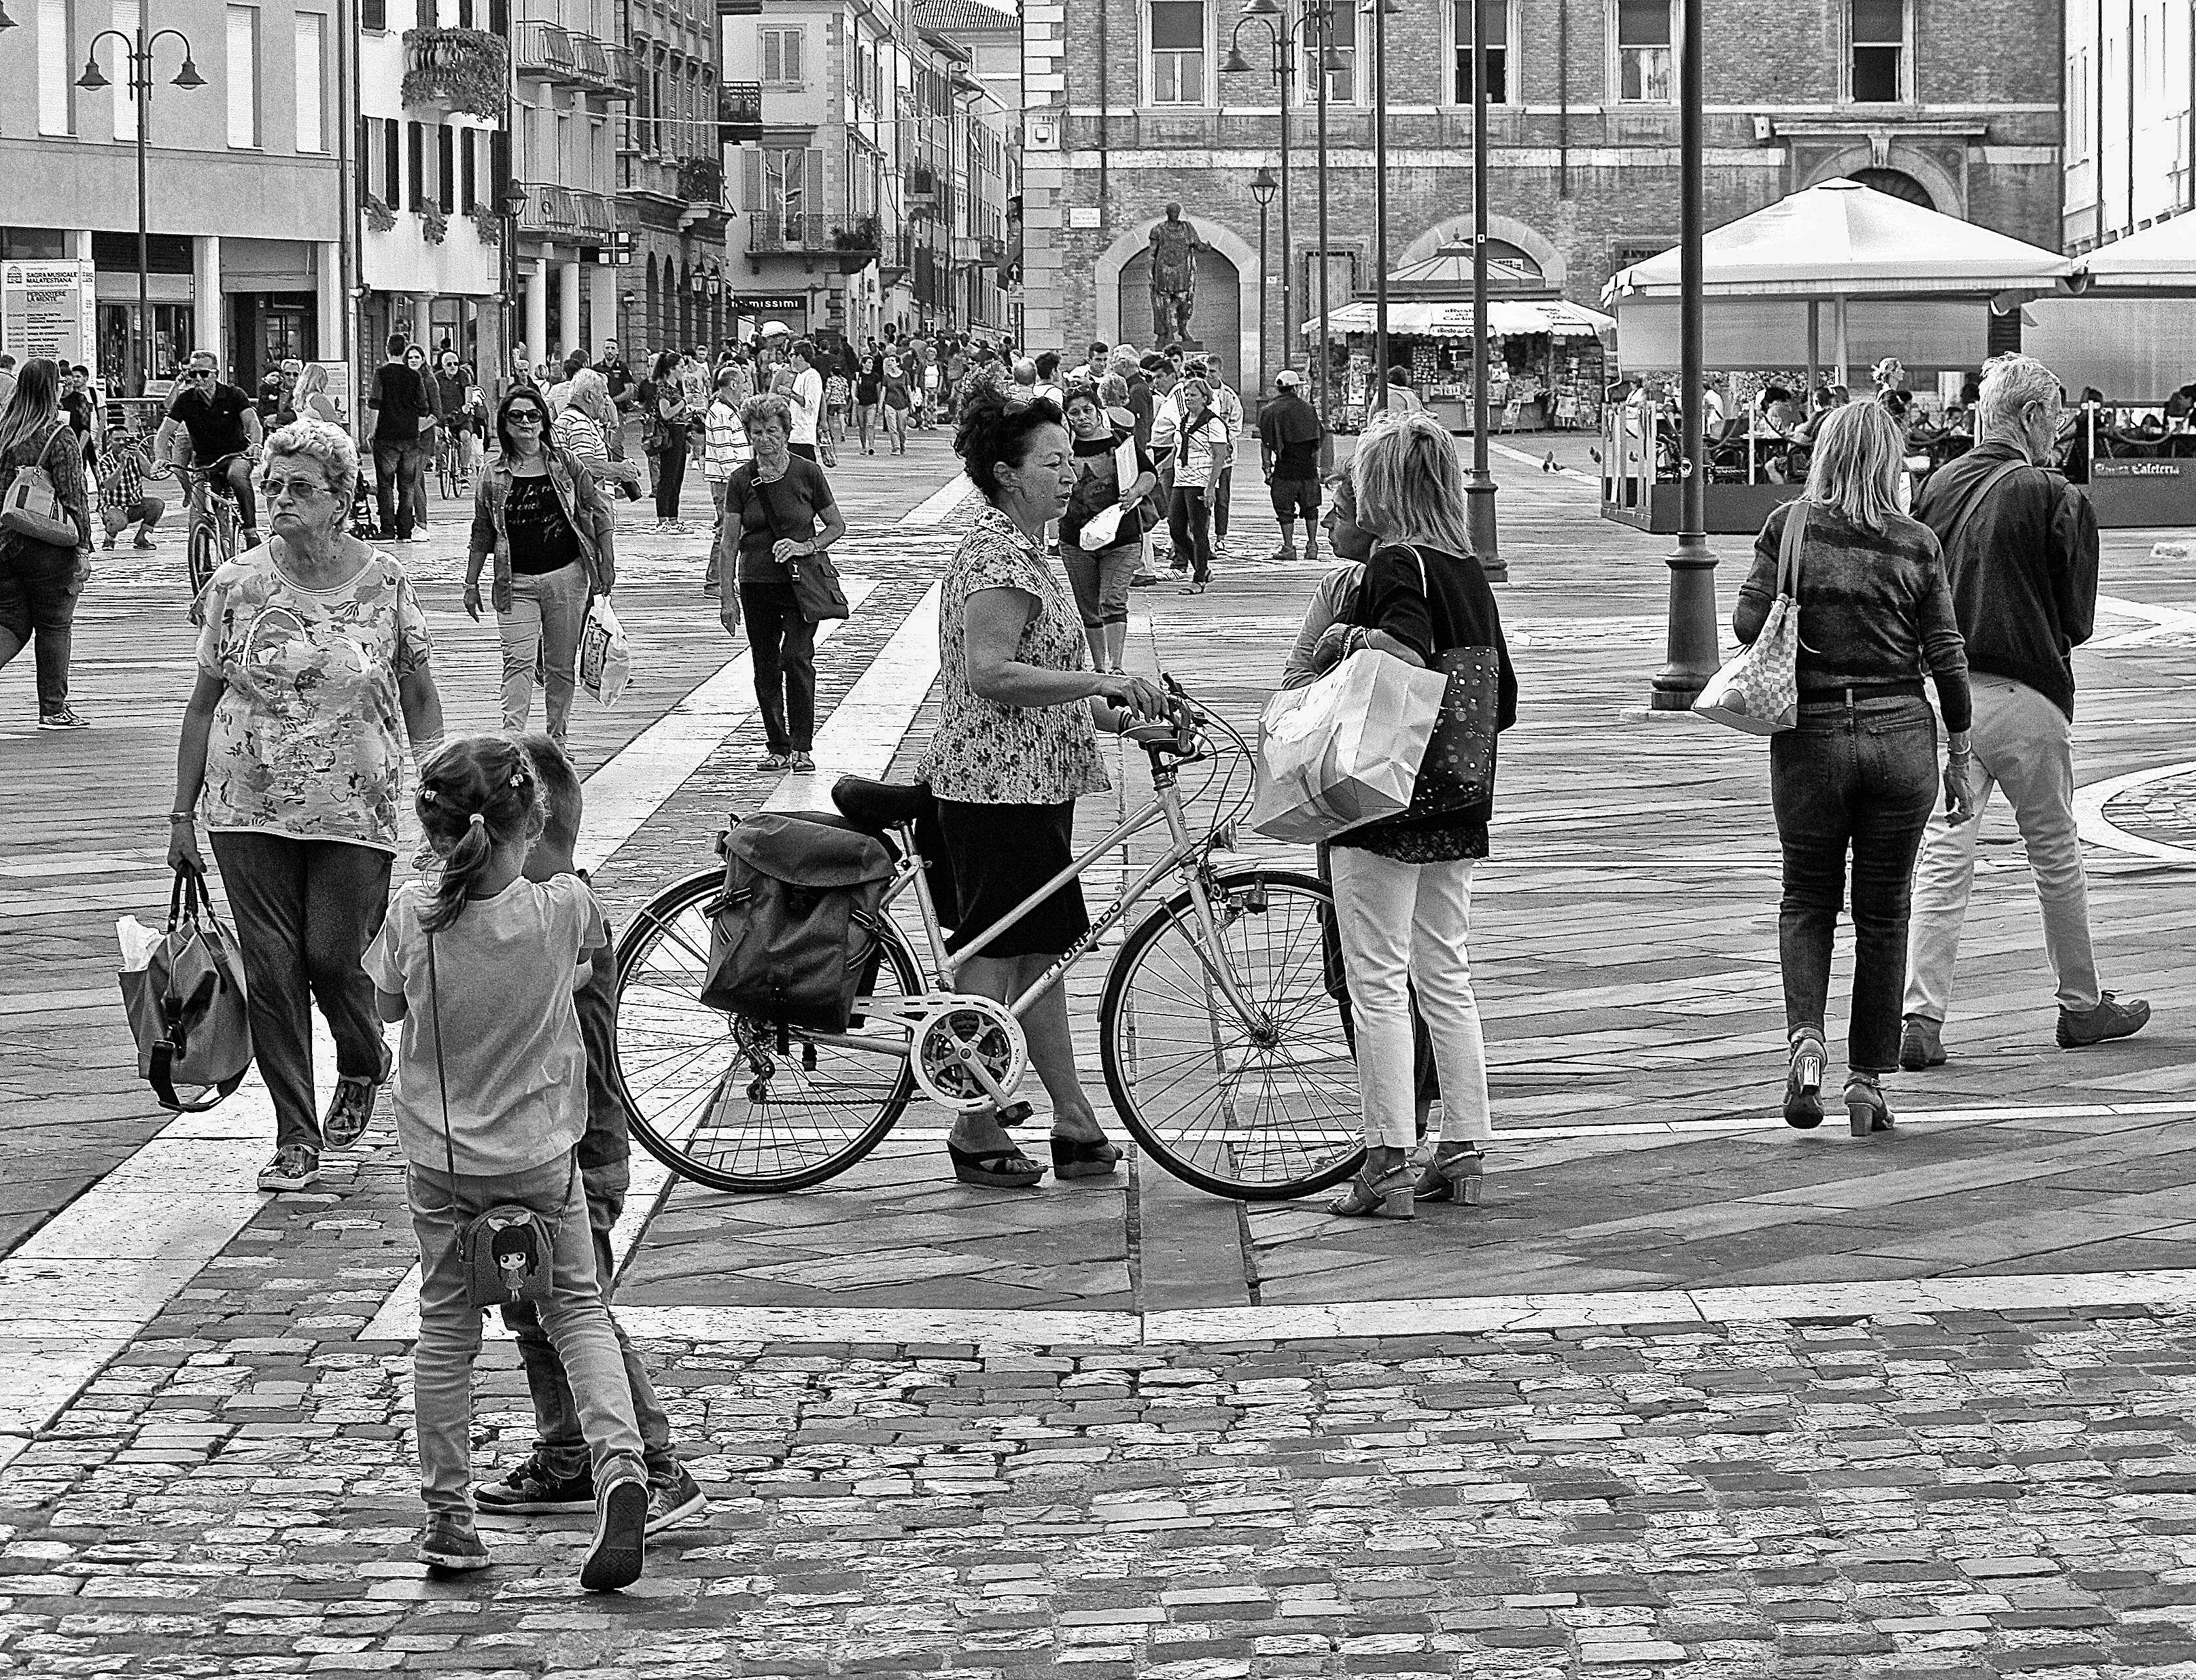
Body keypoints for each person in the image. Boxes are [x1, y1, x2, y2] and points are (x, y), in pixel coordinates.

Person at [361, 734, 650, 1588]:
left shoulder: (414, 913)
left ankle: (450, 1520)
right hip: (544, 1159)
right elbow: (590, 965)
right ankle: (622, 1466)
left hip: (444, 1168)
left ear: (433, 827)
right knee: (576, 1313)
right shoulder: (563, 906)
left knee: (447, 1332)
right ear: (534, 825)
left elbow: (382, 1004)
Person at [167, 418, 443, 1192]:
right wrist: (180, 817)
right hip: (245, 805)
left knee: (333, 955)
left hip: (358, 807)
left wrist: (437, 794)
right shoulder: (236, 584)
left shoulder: (385, 581)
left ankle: (362, 1059)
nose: (280, 500)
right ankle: (296, 1134)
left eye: (299, 488)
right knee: (273, 968)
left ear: (341, 499)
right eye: (272, 486)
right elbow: (201, 704)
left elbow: (421, 697)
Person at [915, 394, 1176, 1189]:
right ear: (1006, 475)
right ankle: (973, 1124)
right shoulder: (997, 555)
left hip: (1032, 786)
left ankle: (1074, 1122)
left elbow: (1051, 681)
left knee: (1041, 959)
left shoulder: (1033, 549)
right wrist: (1103, 677)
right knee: (998, 959)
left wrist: (1125, 714)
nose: (1073, 475)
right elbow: (991, 673)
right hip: (992, 790)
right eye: (1054, 463)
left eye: (1074, 460)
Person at [469, 733, 709, 1538]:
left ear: (524, 837)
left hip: (574, 1149)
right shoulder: (545, 906)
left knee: (578, 1311)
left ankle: (655, 1463)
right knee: (533, 1305)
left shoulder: (560, 915)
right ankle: (569, 1453)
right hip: (543, 1145)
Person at [1899, 353, 2151, 1066]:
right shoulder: (2055, 495)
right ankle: (2080, 1004)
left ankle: (1922, 1017)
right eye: (2058, 415)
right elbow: (2078, 617)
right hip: (2030, 693)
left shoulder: (1938, 487)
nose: (2062, 430)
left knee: (1945, 855)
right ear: (2032, 418)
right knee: (2055, 853)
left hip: (1948, 700)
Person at [1732, 402, 1976, 1136]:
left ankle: (1806, 1038)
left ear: (1826, 454)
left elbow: (1748, 624)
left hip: (1811, 738)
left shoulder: (1791, 526)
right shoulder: (1918, 544)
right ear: (1889, 461)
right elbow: (1947, 656)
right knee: (1884, 910)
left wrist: (1795, 599)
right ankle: (1867, 1082)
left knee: (1807, 898)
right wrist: (1959, 754)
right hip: (1902, 738)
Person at [1314, 413, 1516, 1218]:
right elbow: (1506, 700)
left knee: (1375, 982)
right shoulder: (1468, 570)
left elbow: (1400, 650)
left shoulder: (1397, 561)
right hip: (1461, 797)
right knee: (1445, 973)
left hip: (1387, 800)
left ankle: (1387, 1158)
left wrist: (1344, 636)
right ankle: (1463, 1148)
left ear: (1387, 483)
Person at [466, 389, 616, 745]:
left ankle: (556, 741)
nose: (526, 423)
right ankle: (512, 740)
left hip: (567, 577)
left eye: (533, 416)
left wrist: (606, 559)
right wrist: (470, 582)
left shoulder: (565, 464)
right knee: (517, 661)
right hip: (513, 581)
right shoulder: (492, 474)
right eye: (516, 416)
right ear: (504, 423)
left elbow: (596, 509)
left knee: (560, 666)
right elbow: (483, 529)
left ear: (544, 421)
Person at [718, 393, 845, 773]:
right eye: (756, 432)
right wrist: (728, 597)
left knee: (797, 657)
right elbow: (728, 542)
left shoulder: (807, 472)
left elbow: (836, 526)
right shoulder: (740, 480)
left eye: (772, 431)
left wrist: (805, 546)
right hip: (756, 583)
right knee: (765, 662)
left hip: (799, 583)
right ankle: (777, 744)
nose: (764, 439)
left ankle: (802, 745)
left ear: (786, 433)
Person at [0, 359, 94, 728]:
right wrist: (83, 548)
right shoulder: (59, 435)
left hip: (5, 543)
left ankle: (54, 708)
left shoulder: (4, 433)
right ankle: (54, 709)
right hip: (48, 546)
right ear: (52, 389)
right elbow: (74, 496)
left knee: (10, 622)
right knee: (55, 624)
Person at [1058, 388, 1157, 674]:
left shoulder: (1120, 442)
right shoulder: (1065, 449)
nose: (1082, 417)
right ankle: (1099, 666)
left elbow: (1148, 473)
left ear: (1097, 410)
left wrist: (1134, 492)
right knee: (1087, 604)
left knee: (1112, 599)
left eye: (1087, 410)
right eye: (1074, 412)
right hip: (1075, 537)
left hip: (1122, 535)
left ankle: (1116, 665)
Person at [159, 349, 266, 545]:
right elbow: (164, 433)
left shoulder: (234, 395)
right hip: (205, 462)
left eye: (204, 374)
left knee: (237, 476)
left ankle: (251, 531)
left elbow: (252, 423)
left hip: (236, 454)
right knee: (197, 510)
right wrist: (161, 458)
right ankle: (201, 563)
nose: (198, 378)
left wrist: (257, 444)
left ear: (216, 374)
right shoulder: (186, 400)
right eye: (193, 374)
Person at [366, 334, 435, 542]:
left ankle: (387, 529)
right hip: (410, 438)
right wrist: (414, 424)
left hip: (386, 436)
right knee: (407, 485)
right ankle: (405, 530)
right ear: (405, 350)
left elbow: (375, 404)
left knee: (385, 485)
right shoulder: (415, 377)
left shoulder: (382, 373)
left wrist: (372, 431)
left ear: (387, 350)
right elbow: (424, 407)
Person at [1164, 377, 1229, 595]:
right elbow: (1178, 448)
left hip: (1200, 480)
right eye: (1187, 394)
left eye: (1193, 395)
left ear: (1204, 397)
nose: (1188, 398)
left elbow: (1220, 456)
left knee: (1199, 529)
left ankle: (1199, 577)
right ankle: (1201, 566)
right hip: (1181, 479)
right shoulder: (1184, 421)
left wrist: (1211, 487)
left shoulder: (1213, 422)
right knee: (1175, 526)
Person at [1259, 369, 1326, 562]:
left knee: (1284, 511)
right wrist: (1318, 468)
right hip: (1308, 469)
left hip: (1284, 468)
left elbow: (1266, 444)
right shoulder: (1309, 409)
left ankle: (1289, 547)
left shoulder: (1269, 411)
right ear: (1296, 387)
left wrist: (1267, 470)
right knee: (1311, 509)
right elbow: (1318, 442)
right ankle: (1312, 546)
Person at [699, 366, 750, 593]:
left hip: (730, 479)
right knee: (726, 529)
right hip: (726, 481)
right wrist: (737, 481)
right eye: (743, 383)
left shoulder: (728, 409)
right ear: (733, 384)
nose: (745, 389)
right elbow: (724, 450)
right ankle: (716, 581)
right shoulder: (721, 411)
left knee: (730, 529)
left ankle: (723, 579)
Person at [95, 419, 170, 551]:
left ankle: (141, 537)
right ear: (110, 441)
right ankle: (109, 538)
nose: (122, 443)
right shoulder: (104, 461)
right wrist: (121, 466)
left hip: (134, 505)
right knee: (119, 520)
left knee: (157, 505)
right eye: (117, 440)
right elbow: (109, 486)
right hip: (113, 506)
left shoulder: (135, 457)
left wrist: (139, 455)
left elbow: (151, 474)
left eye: (125, 439)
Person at [642, 351, 691, 530]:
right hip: (669, 434)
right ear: (672, 368)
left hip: (680, 432)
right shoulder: (664, 387)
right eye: (680, 366)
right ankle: (663, 517)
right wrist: (684, 402)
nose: (683, 369)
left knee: (678, 476)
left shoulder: (678, 386)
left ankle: (673, 517)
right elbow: (666, 413)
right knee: (668, 476)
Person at [785, 339, 826, 464]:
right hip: (794, 433)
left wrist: (790, 394)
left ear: (801, 356)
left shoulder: (812, 375)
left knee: (807, 472)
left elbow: (810, 404)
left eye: (792, 355)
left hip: (804, 435)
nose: (790, 358)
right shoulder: (800, 375)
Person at [879, 343, 913, 454]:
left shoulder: (905, 375)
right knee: (892, 428)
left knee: (902, 430)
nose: (890, 362)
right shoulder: (886, 377)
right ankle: (896, 447)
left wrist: (911, 404)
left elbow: (908, 390)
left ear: (898, 363)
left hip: (903, 404)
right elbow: (884, 391)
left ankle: (902, 445)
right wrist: (881, 405)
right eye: (889, 361)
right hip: (890, 404)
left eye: (893, 361)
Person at [853, 343, 882, 455]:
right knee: (862, 426)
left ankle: (871, 446)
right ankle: (864, 447)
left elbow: (879, 391)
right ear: (863, 364)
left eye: (872, 363)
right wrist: (854, 397)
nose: (871, 365)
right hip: (861, 404)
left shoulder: (875, 376)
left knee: (870, 425)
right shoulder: (858, 375)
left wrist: (880, 405)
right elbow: (854, 388)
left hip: (872, 404)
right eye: (869, 363)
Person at [295, 362, 341, 427]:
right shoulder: (318, 398)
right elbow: (335, 425)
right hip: (324, 435)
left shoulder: (299, 398)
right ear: (321, 379)